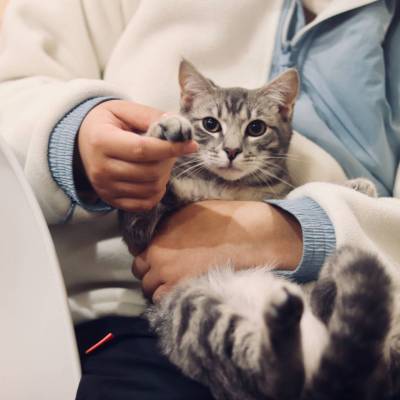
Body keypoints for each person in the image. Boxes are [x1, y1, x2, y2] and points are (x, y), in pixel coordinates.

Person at [0, 0, 399, 399]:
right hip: (132, 317)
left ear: (285, 111)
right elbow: (11, 92)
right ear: (187, 104)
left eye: (254, 129)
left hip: (335, 301)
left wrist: (308, 228)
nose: (231, 148)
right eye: (211, 125)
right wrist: (76, 136)